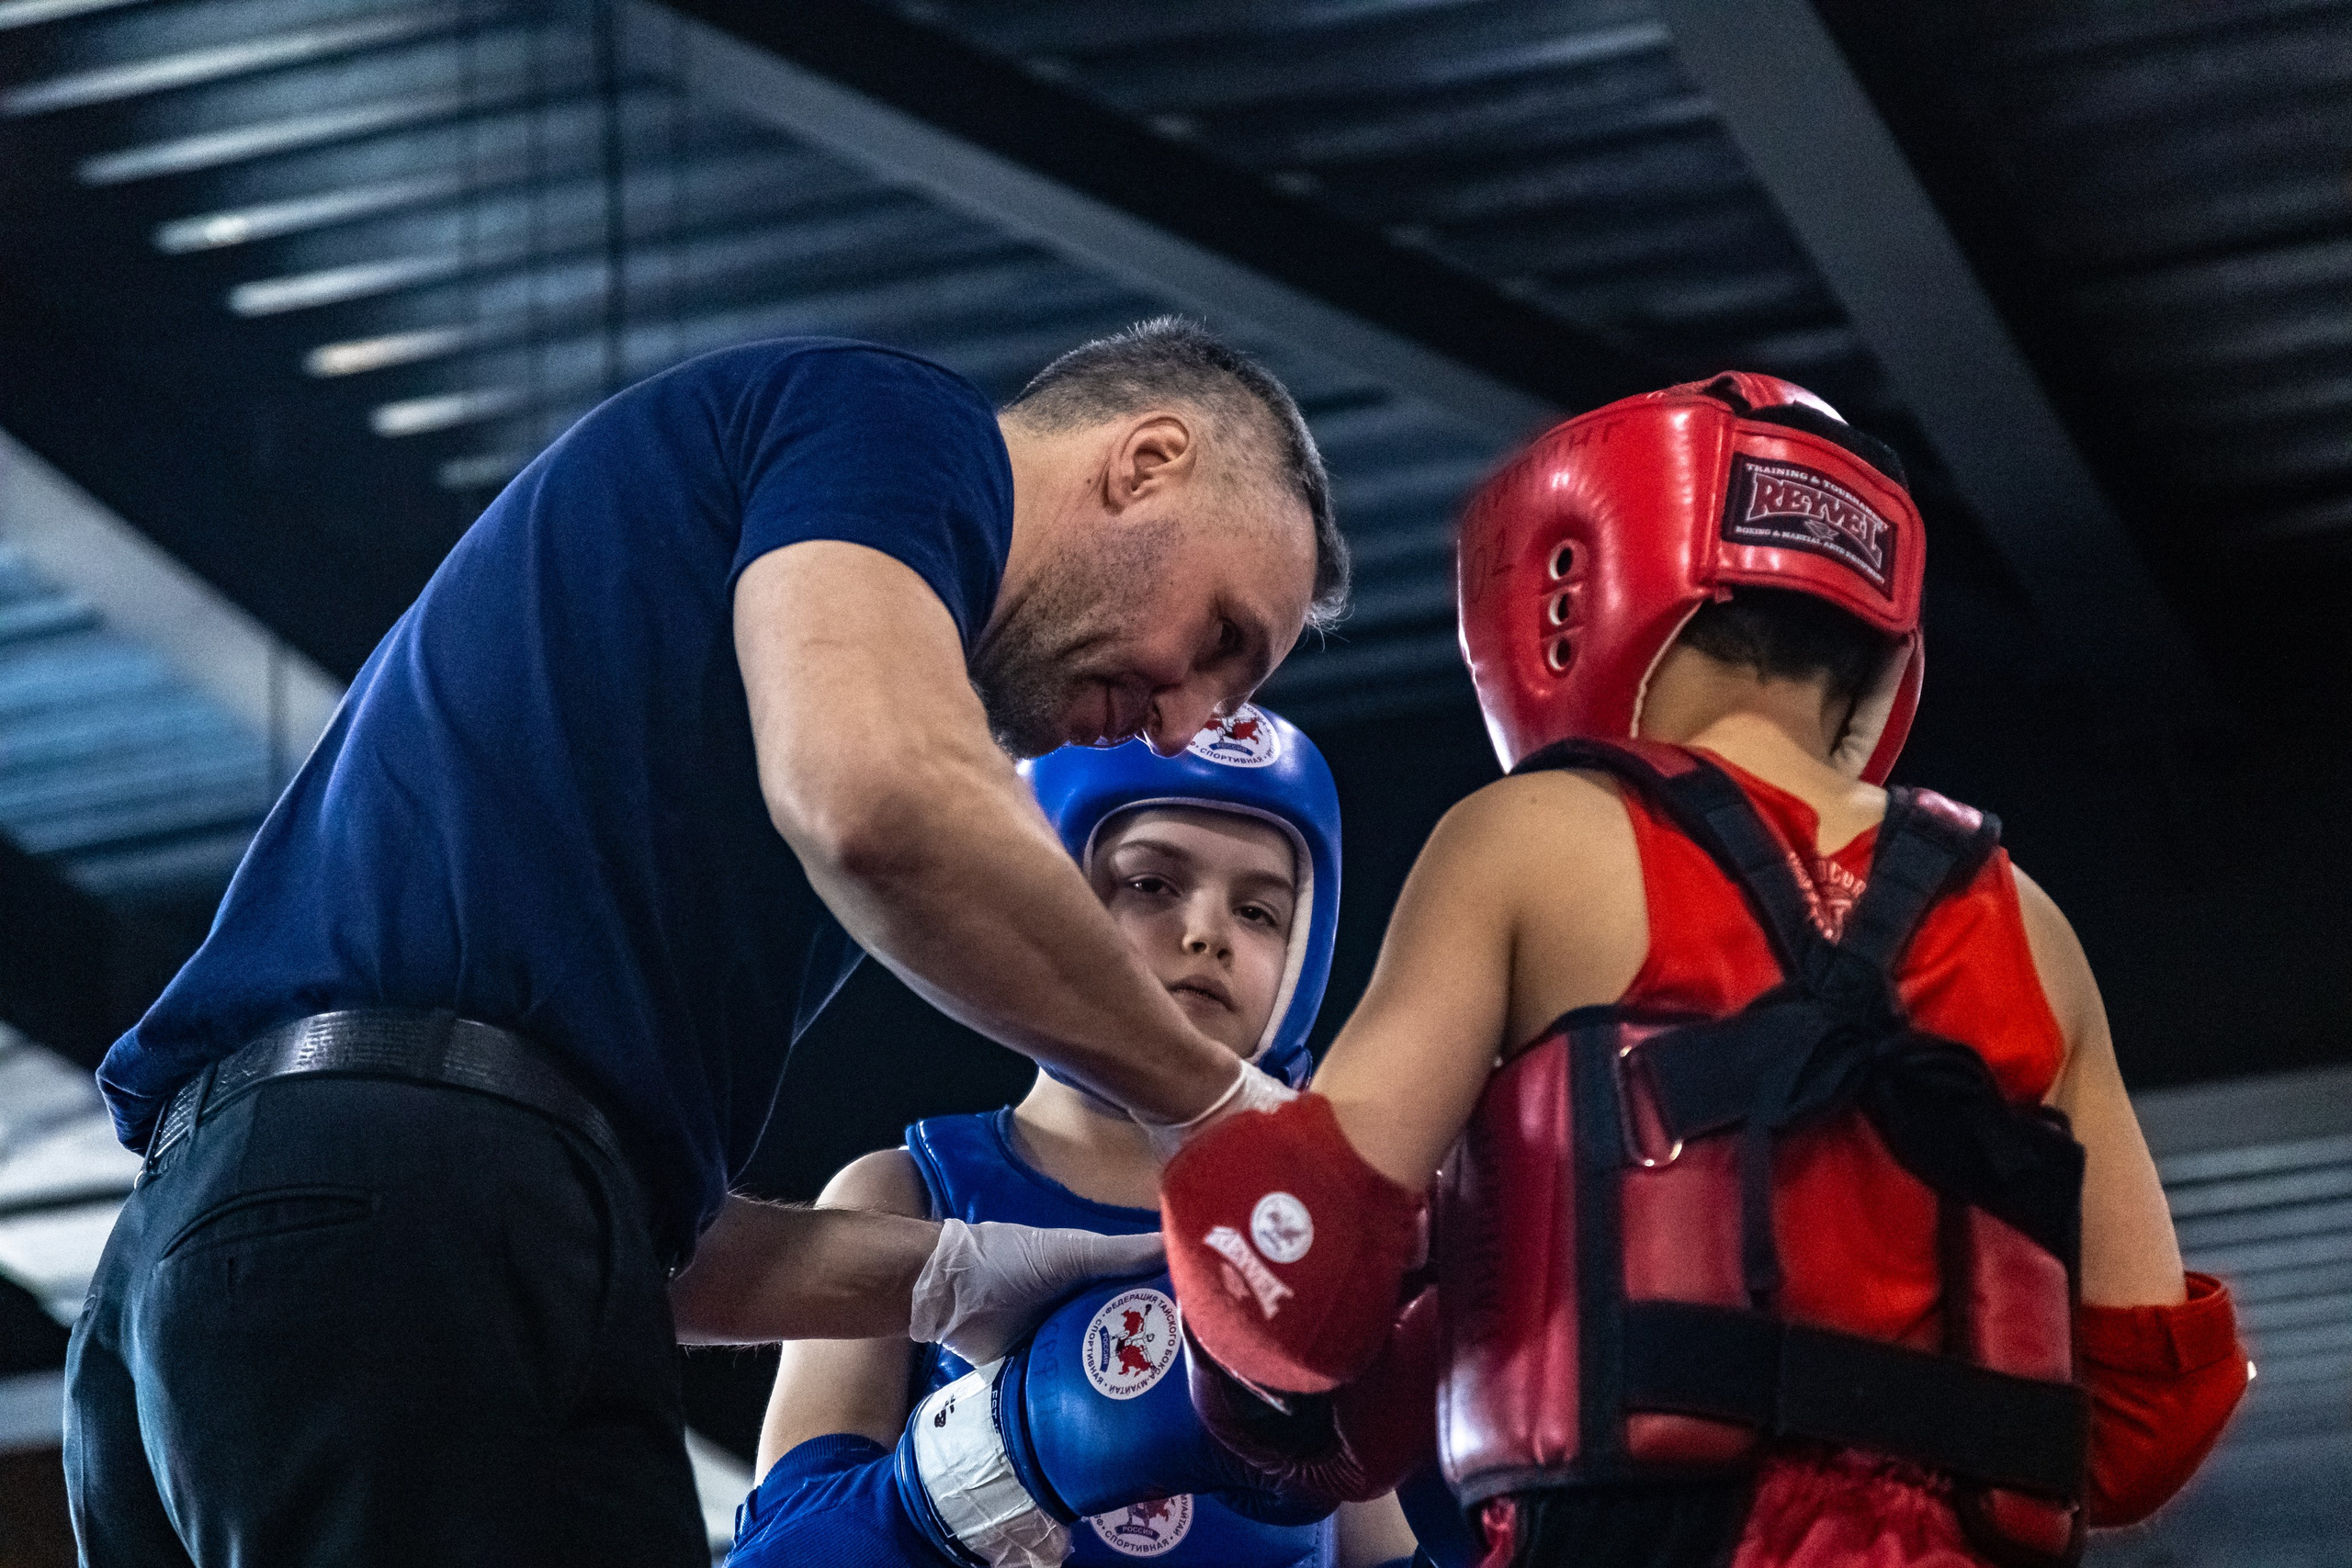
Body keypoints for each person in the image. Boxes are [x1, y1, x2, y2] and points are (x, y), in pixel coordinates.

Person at [65, 319, 1347, 1567]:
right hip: (387, 1223)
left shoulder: (712, 800)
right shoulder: (898, 423)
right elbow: (877, 799)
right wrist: (1224, 1117)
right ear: (1146, 461)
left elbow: (639, 1240)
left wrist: (964, 1277)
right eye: (1219, 640)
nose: (1183, 720)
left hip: (199, 1285)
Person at [1159, 375, 2251, 1567]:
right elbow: (2148, 1419)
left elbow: (1295, 1267)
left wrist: (1326, 1319)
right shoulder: (2026, 919)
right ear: (1873, 640)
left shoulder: (1533, 838)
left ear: (1570, 582)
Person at [729, 705, 1425, 1568]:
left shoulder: (1311, 1240)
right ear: (1048, 896)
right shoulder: (905, 1195)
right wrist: (991, 1459)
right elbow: (780, 1552)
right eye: (1151, 884)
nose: (1208, 932)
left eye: (1257, 911)